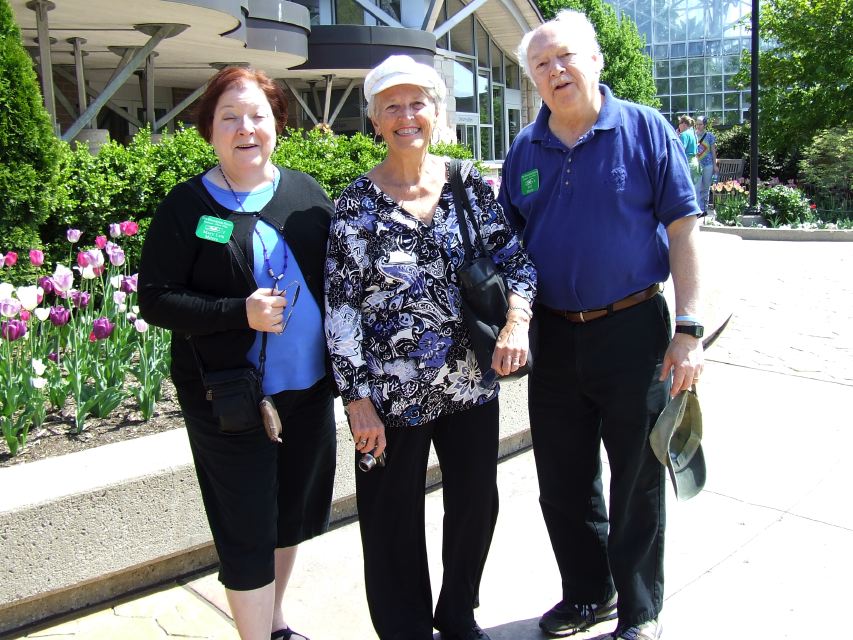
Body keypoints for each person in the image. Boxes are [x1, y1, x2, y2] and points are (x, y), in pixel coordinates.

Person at [499, 10, 703, 640]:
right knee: (561, 478)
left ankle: (641, 610)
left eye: (566, 57)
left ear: (594, 61)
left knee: (638, 476)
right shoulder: (524, 150)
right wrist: (515, 317)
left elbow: (683, 230)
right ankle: (590, 593)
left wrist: (689, 329)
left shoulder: (642, 129)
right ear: (532, 77)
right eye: (541, 64)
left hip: (635, 328)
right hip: (555, 335)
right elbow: (510, 245)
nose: (555, 71)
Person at [324, 54, 536, 640]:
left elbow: (516, 262)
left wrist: (516, 324)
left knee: (474, 506)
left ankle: (457, 611)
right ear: (374, 120)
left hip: (471, 383)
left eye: (417, 102)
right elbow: (340, 311)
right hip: (390, 399)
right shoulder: (354, 206)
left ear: (437, 113)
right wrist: (355, 399)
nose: (406, 115)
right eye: (391, 105)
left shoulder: (468, 185)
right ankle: (406, 628)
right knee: (390, 520)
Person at [138, 66, 337, 640]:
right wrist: (237, 313)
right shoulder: (187, 207)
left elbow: (343, 284)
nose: (245, 128)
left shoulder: (305, 196)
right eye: (230, 117)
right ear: (209, 130)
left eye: (258, 115)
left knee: (288, 515)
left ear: (278, 124)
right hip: (227, 398)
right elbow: (156, 299)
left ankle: (274, 624)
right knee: (245, 524)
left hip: (306, 391)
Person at [695, 115, 719, 215]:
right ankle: (698, 209)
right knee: (697, 187)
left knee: (706, 187)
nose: (698, 126)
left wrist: (715, 165)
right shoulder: (693, 135)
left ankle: (704, 209)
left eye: (700, 124)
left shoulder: (710, 136)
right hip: (697, 165)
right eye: (697, 124)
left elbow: (713, 152)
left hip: (708, 164)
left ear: (705, 125)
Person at [677, 114, 703, 201]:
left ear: (684, 124)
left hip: (687, 163)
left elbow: (680, 150)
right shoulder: (693, 134)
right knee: (694, 191)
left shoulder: (684, 135)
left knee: (685, 191)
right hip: (695, 163)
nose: (678, 126)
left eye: (679, 123)